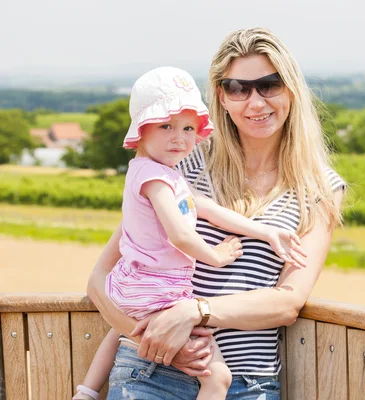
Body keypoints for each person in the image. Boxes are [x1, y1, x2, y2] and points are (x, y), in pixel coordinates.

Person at [86, 27, 346, 400]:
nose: (255, 102)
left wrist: (195, 311)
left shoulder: (321, 189)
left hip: (245, 385)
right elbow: (100, 279)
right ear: (221, 97)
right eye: (238, 88)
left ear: (291, 90)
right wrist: (156, 341)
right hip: (150, 373)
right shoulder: (180, 160)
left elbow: (288, 302)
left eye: (269, 85)